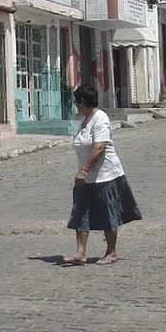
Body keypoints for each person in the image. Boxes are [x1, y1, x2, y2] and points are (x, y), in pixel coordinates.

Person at [64, 83, 140, 265]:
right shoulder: (85, 121)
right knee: (80, 212)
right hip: (86, 178)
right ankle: (80, 252)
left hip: (106, 175)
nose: (75, 105)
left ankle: (111, 252)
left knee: (108, 213)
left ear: (83, 101)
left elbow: (99, 147)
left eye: (76, 101)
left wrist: (83, 170)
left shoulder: (100, 118)